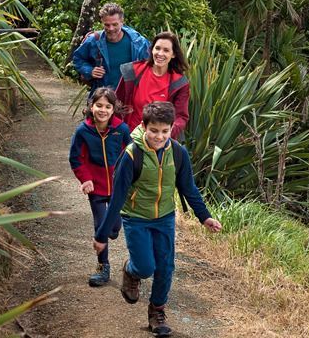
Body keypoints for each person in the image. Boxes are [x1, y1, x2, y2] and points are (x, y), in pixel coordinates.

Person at [93, 101, 222, 337]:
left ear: (172, 128)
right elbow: (118, 196)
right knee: (145, 266)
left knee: (165, 267)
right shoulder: (132, 155)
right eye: (154, 131)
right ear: (144, 126)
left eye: (165, 131)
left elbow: (189, 188)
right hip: (137, 218)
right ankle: (132, 271)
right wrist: (102, 235)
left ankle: (157, 311)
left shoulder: (178, 153)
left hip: (164, 218)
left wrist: (205, 217)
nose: (159, 136)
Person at [68, 87, 131, 287]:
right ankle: (103, 267)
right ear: (91, 106)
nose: (102, 110)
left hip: (117, 186)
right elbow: (75, 158)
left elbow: (132, 154)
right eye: (99, 105)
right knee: (100, 226)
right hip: (95, 187)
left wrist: (130, 177)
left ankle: (114, 225)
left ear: (114, 109)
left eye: (107, 106)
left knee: (113, 226)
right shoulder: (83, 131)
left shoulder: (121, 130)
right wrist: (85, 179)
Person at [115, 31, 189, 139]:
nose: (160, 53)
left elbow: (181, 117)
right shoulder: (133, 71)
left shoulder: (179, 83)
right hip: (130, 137)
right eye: (157, 48)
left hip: (159, 141)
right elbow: (116, 103)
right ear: (152, 49)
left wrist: (166, 134)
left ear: (173, 54)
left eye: (166, 50)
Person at [72, 3, 150, 92]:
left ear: (122, 22)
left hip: (131, 96)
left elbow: (150, 66)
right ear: (102, 22)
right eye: (107, 25)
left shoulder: (139, 42)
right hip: (103, 96)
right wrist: (90, 70)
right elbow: (77, 59)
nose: (111, 28)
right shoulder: (93, 40)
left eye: (115, 24)